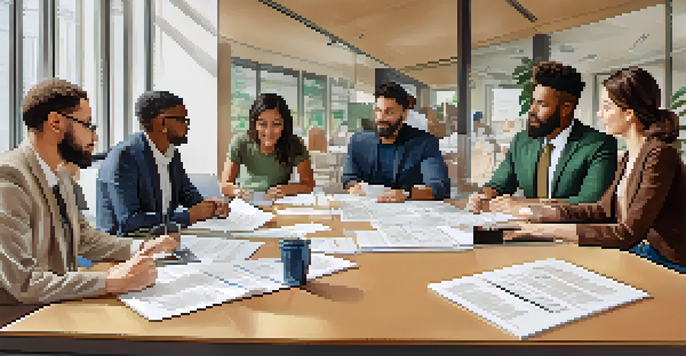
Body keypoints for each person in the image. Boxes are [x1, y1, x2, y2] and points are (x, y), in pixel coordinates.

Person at [0, 78, 177, 305]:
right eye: (88, 125)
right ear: (55, 122)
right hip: (20, 324)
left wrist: (140, 247)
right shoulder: (9, 178)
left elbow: (83, 236)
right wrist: (110, 281)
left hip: (59, 306)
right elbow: (23, 283)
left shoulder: (60, 175)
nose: (95, 137)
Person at [508, 67, 686, 273]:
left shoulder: (659, 156)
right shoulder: (630, 156)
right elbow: (601, 210)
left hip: (666, 262)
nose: (599, 114)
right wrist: (540, 212)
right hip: (640, 251)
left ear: (629, 113)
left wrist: (543, 230)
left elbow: (628, 233)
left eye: (607, 107)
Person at [468, 61, 618, 213]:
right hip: (524, 229)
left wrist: (526, 205)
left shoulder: (598, 144)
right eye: (533, 102)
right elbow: (498, 185)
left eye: (542, 104)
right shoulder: (522, 141)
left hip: (570, 232)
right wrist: (482, 196)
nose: (532, 110)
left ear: (566, 108)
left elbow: (591, 202)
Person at [96, 91, 228, 237]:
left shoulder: (171, 152)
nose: (187, 126)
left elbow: (187, 194)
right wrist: (188, 217)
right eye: (182, 120)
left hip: (162, 239)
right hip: (126, 248)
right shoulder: (125, 157)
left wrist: (211, 205)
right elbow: (129, 222)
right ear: (162, 123)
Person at [342, 82, 451, 202]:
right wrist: (354, 187)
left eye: (389, 112)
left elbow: (439, 187)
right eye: (378, 110)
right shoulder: (358, 142)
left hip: (411, 216)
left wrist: (407, 194)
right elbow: (348, 179)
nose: (381, 118)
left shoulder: (424, 143)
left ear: (404, 115)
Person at [221, 93, 315, 201]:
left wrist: (286, 189)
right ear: (254, 124)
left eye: (276, 124)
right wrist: (238, 192)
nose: (268, 132)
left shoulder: (294, 144)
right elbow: (225, 186)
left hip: (278, 203)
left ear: (285, 124)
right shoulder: (241, 141)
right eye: (262, 124)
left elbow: (308, 185)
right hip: (246, 203)